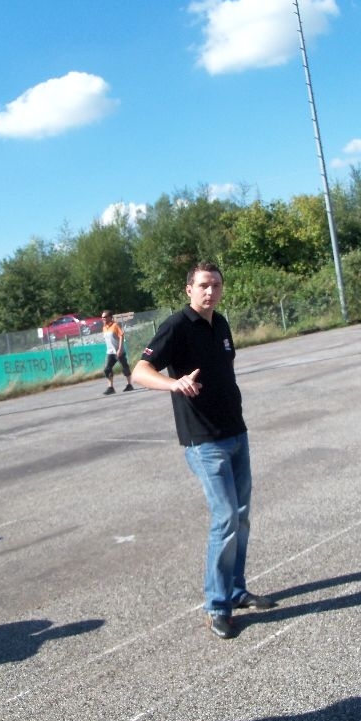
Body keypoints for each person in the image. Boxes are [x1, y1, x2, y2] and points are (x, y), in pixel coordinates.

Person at [131, 261, 274, 639]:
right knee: (225, 517)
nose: (210, 292)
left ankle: (236, 590)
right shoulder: (176, 326)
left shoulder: (221, 323)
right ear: (189, 289)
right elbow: (139, 371)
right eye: (203, 286)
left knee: (241, 517)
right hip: (204, 441)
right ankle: (216, 606)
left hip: (236, 432)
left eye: (216, 285)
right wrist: (174, 384)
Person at [101, 310, 133, 395]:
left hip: (118, 351)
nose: (103, 319)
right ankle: (110, 387)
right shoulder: (104, 327)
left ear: (109, 317)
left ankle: (129, 384)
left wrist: (120, 349)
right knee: (107, 369)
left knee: (124, 367)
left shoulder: (115, 325)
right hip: (110, 352)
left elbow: (121, 336)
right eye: (102, 317)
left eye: (104, 317)